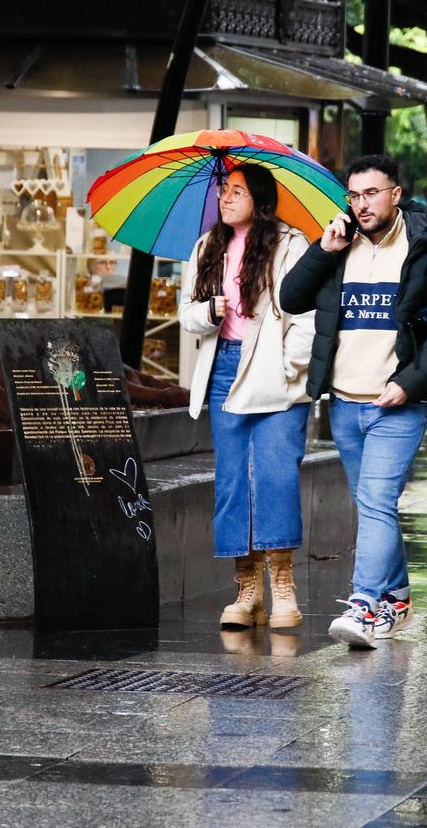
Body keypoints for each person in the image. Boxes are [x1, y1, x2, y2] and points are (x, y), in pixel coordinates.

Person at [280, 154, 427, 649]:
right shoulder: (339, 247)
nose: (361, 204)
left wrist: (411, 381)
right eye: (354, 195)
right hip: (344, 403)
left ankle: (364, 604)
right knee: (372, 506)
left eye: (371, 193)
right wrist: (323, 249)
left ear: (396, 194)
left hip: (397, 404)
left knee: (378, 501)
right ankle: (398, 597)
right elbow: (290, 298)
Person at [180, 164, 315, 632]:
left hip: (274, 373)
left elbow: (308, 318)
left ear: (259, 198)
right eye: (224, 189)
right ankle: (247, 590)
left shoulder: (289, 245)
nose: (226, 197)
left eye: (238, 191)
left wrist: (285, 366)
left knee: (276, 477)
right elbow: (186, 316)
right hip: (223, 370)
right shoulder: (206, 247)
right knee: (233, 483)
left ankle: (283, 585)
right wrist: (208, 311)